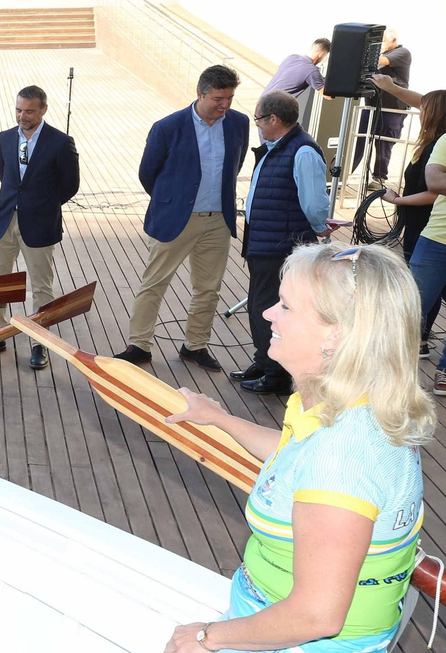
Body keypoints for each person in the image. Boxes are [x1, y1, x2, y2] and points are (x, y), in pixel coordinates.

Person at [0, 242, 433, 653]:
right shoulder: (344, 408)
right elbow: (293, 460)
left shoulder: (346, 459)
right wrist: (218, 419)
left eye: (286, 306)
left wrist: (207, 638)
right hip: (280, 629)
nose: (267, 313)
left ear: (337, 336)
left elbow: (317, 615)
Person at [116, 64, 249, 371]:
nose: (225, 105)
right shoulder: (167, 127)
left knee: (209, 289)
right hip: (176, 219)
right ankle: (139, 345)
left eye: (229, 98)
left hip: (218, 220)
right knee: (154, 283)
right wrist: (172, 202)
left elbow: (237, 164)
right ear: (200, 94)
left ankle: (195, 345)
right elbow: (148, 173)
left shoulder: (238, 123)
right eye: (218, 98)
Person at [232, 91, 332, 397]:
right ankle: (264, 362)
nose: (258, 125)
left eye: (259, 119)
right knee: (259, 305)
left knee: (270, 308)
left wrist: (319, 227)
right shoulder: (278, 147)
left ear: (273, 119)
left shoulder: (302, 151)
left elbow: (314, 202)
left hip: (281, 245)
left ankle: (276, 374)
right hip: (265, 241)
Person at [0, 85, 80, 370]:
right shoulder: (5, 138)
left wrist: (43, 205)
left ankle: (39, 343)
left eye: (29, 111)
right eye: (19, 110)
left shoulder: (61, 142)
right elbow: (4, 174)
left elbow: (70, 185)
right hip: (4, 220)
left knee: (41, 286)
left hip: (40, 224)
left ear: (43, 109)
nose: (23, 116)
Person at [399, 107, 446, 394]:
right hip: (437, 238)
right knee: (409, 308)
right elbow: (435, 182)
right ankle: (386, 369)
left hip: (433, 240)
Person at [353, 30, 412, 188]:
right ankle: (344, 175)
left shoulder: (401, 53)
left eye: (383, 41)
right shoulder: (380, 54)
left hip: (391, 109)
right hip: (371, 107)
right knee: (360, 141)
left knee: (384, 144)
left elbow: (381, 60)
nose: (380, 46)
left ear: (393, 40)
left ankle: (379, 178)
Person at [262, 38, 330, 99]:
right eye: (325, 56)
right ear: (321, 54)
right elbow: (327, 96)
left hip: (262, 101)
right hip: (275, 106)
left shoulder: (291, 58)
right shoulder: (311, 71)